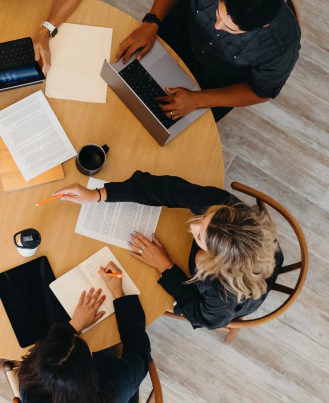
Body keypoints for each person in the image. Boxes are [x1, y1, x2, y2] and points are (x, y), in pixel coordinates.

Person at [53, 171, 283, 330]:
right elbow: (164, 189)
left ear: (216, 260)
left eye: (200, 235)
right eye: (203, 219)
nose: (192, 225)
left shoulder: (223, 292)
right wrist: (99, 195)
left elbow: (205, 317)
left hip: (238, 295)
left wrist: (166, 266)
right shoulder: (225, 211)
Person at [116, 0, 301, 121]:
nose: (217, 25)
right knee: (121, 79)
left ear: (263, 25)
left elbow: (260, 91)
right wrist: (152, 23)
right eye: (219, 13)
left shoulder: (281, 46)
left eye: (230, 28)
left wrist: (198, 99)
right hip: (181, 31)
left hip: (219, 79)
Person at [18, 262, 151, 403]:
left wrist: (74, 325)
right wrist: (119, 294)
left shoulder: (29, 387)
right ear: (89, 367)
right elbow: (139, 350)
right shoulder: (115, 385)